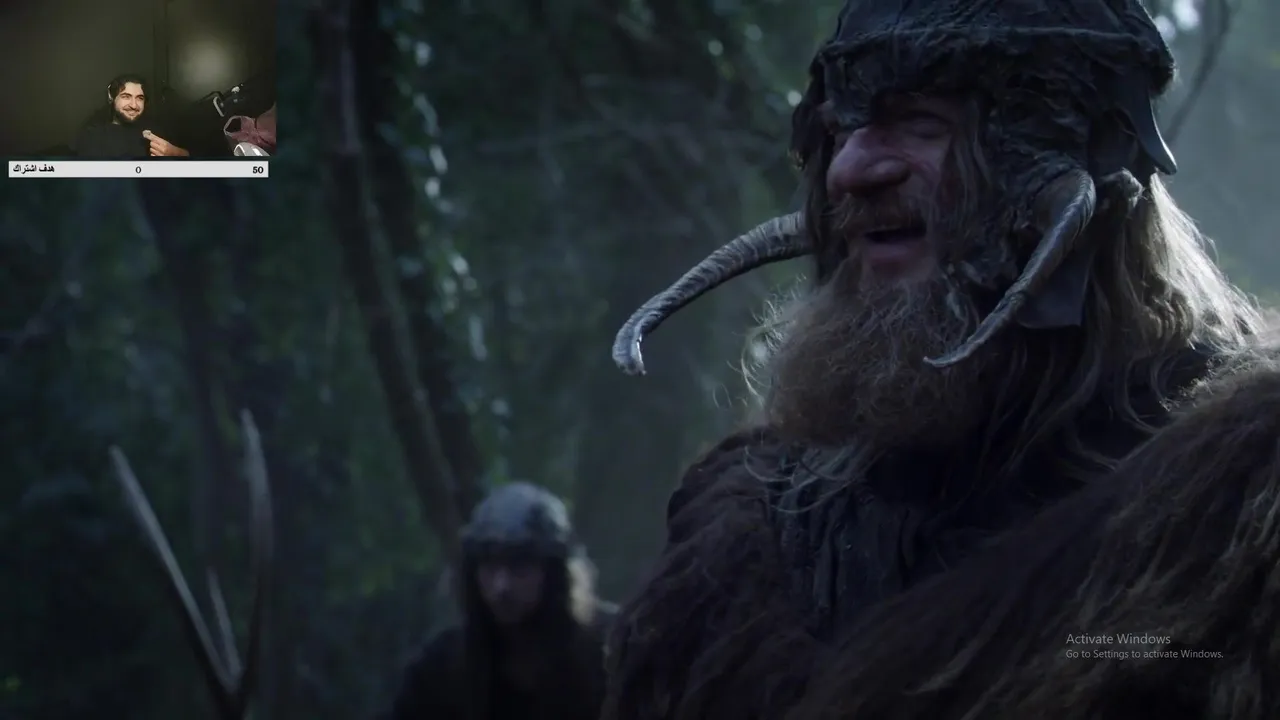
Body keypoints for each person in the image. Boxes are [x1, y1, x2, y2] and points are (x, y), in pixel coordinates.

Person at [602, 0, 1280, 718]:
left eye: (921, 123)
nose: (850, 171)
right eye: (840, 129)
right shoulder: (754, 540)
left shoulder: (1238, 524)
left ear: (1090, 151)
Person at [381, 482, 616, 720]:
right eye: (489, 566)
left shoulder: (613, 652)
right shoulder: (442, 669)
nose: (501, 586)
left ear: (554, 574)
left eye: (519, 566)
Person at [73, 74, 189, 159]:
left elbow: (191, 158)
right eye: (126, 96)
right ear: (111, 98)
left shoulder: (156, 130)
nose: (134, 105)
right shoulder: (93, 136)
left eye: (139, 98)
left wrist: (175, 153)